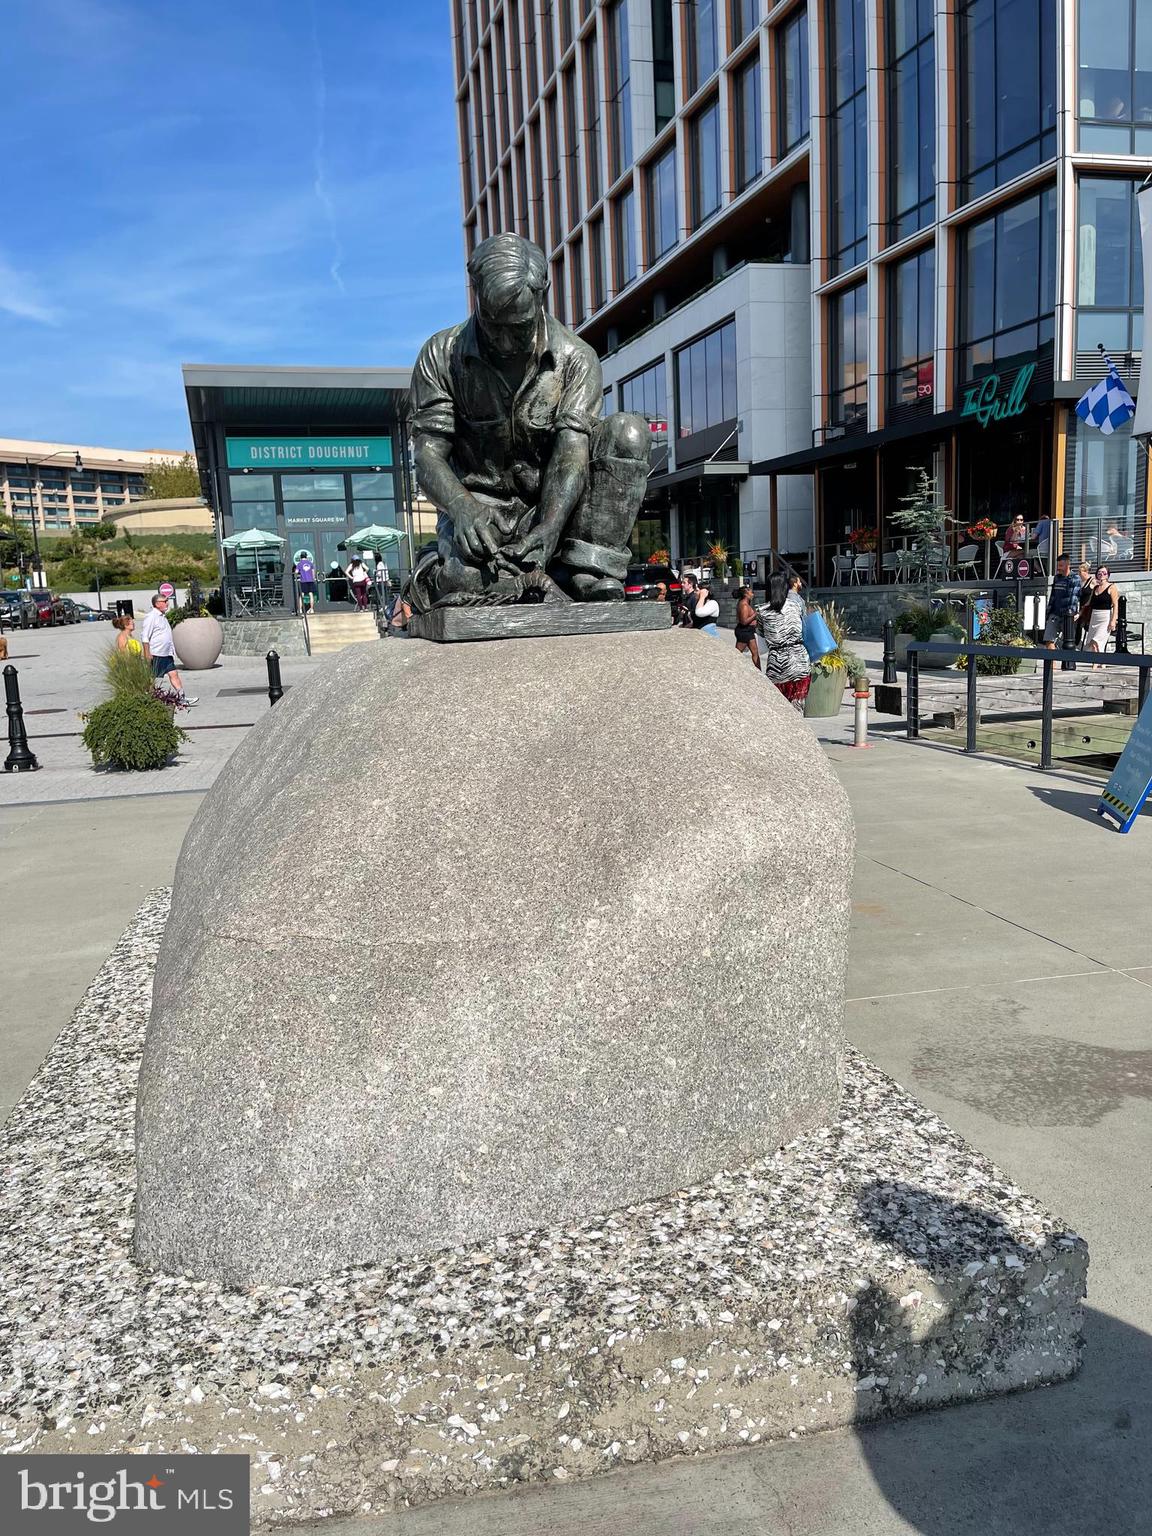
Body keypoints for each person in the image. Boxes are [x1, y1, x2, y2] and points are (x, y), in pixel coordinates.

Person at [405, 231, 647, 611]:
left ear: (542, 294)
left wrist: (550, 527)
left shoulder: (576, 358)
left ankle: (587, 568)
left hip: (557, 509)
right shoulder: (440, 356)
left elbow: (571, 453)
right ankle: (464, 570)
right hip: (480, 511)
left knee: (628, 432)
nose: (505, 342)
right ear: (475, 296)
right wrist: (462, 508)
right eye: (494, 325)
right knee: (462, 580)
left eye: (518, 328)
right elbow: (428, 455)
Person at [760, 572, 811, 710]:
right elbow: (804, 627)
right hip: (799, 661)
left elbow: (762, 638)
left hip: (777, 666)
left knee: (780, 711)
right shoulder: (796, 605)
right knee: (798, 709)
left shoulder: (762, 611)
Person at [139, 594, 197, 704]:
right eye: (164, 601)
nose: (167, 603)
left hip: (166, 653)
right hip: (157, 653)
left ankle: (182, 698)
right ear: (157, 604)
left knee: (174, 674)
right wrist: (147, 653)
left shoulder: (162, 616)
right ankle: (148, 699)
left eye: (167, 601)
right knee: (154, 679)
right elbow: (145, 636)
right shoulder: (151, 617)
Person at [1080, 565, 1119, 666]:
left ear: (1108, 575)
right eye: (1099, 573)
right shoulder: (1095, 588)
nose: (1101, 575)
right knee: (1092, 641)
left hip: (1105, 617)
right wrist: (1079, 614)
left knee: (1097, 641)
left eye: (1104, 573)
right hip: (1094, 616)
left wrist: (1113, 620)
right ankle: (1101, 663)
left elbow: (1115, 604)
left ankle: (1095, 664)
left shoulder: (1112, 587)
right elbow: (1088, 603)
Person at [1043, 553, 1081, 649]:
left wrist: (1070, 615)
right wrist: (1048, 613)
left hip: (1067, 615)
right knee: (1048, 639)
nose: (1058, 568)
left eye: (1061, 565)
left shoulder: (1074, 578)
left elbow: (1074, 598)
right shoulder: (1057, 578)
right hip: (1055, 614)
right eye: (1058, 565)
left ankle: (1067, 659)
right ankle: (1053, 659)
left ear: (1068, 565)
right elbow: (1053, 596)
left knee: (1067, 643)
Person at [734, 585, 761, 670]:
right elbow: (744, 621)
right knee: (737, 654)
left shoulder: (746, 603)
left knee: (755, 653)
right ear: (746, 594)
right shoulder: (744, 605)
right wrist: (755, 614)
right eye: (751, 592)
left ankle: (759, 673)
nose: (753, 594)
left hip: (749, 631)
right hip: (744, 631)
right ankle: (731, 668)